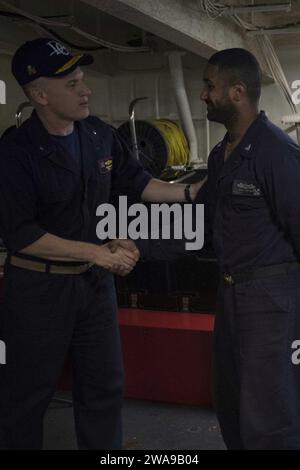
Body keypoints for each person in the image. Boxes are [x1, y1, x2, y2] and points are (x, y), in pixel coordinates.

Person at [0, 37, 205, 450]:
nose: (85, 90)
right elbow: (21, 234)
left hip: (94, 289)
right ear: (39, 94)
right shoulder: (15, 153)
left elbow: (141, 184)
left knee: (104, 390)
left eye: (82, 79)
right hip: (39, 291)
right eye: (71, 84)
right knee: (25, 398)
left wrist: (193, 193)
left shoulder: (98, 134)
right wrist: (98, 252)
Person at [114, 48, 300, 449]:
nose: (203, 94)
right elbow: (199, 228)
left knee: (270, 414)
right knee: (231, 402)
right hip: (232, 294)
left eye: (209, 86)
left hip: (272, 300)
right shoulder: (221, 155)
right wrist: (139, 246)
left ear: (236, 92)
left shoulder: (277, 154)